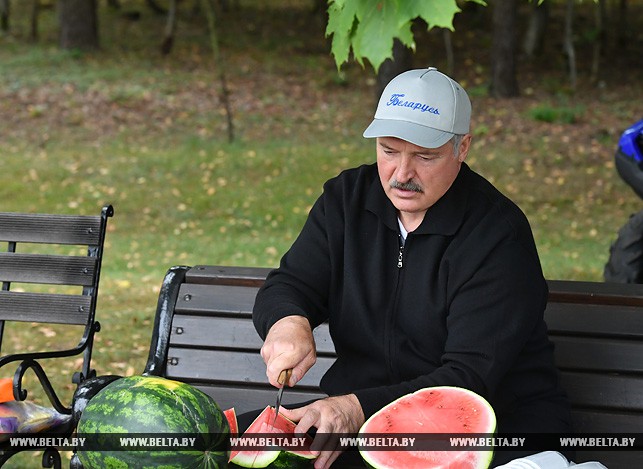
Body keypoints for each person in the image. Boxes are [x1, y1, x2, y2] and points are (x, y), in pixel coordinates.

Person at [252, 67, 573, 468]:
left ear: (463, 147)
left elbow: (467, 377)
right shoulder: (346, 201)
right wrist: (288, 322)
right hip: (359, 419)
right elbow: (292, 283)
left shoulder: (497, 235)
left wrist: (355, 408)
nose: (402, 174)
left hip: (493, 432)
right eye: (388, 150)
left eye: (425, 156)